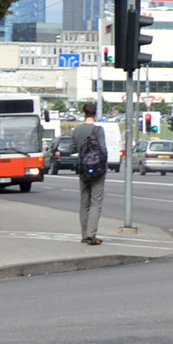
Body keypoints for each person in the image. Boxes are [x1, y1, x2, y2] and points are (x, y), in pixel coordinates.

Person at [71, 102, 107, 245]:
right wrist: (104, 163)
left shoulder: (77, 130)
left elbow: (72, 148)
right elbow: (103, 149)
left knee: (84, 202)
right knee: (96, 202)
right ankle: (91, 235)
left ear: (84, 113)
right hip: (97, 170)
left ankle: (84, 234)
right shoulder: (98, 130)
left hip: (83, 169)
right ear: (95, 114)